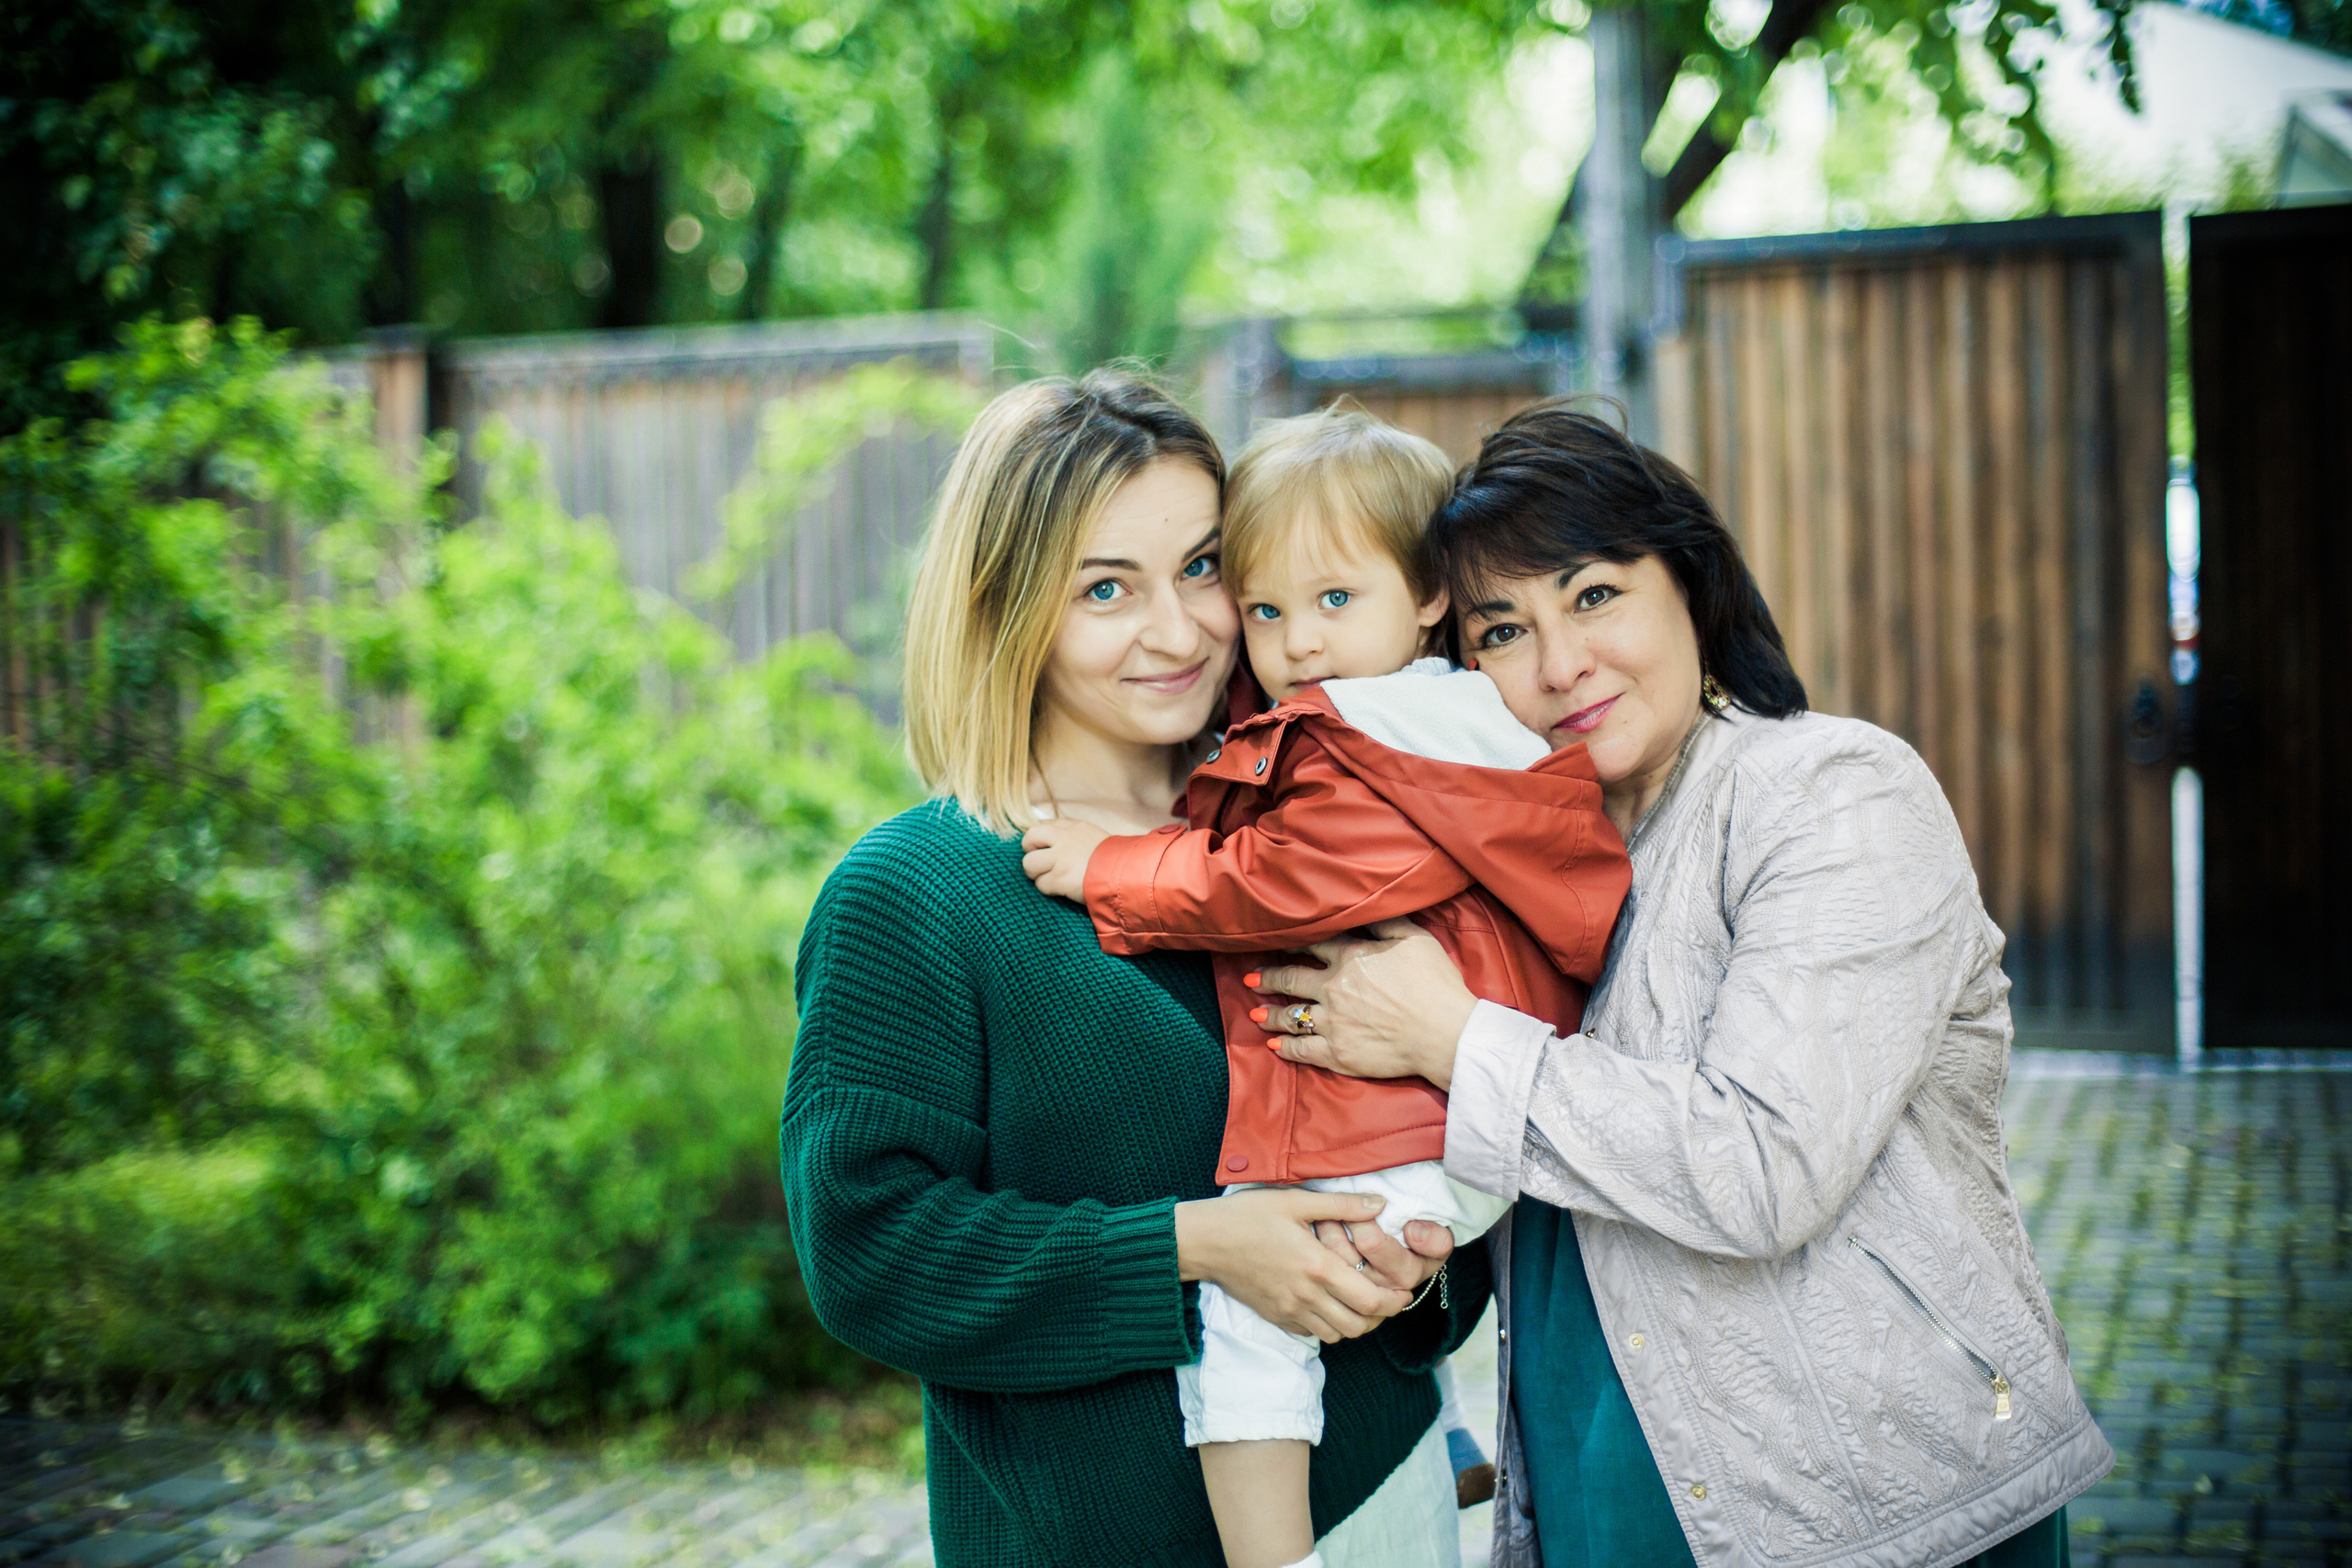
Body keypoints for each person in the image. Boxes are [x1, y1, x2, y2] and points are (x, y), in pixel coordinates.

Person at [1246, 402, 2114, 1568]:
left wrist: (1454, 1038)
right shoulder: (1510, 862)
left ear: (1689, 584)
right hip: (1599, 1483)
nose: (1560, 664)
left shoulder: (1829, 794)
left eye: (1595, 594)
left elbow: (1765, 1169)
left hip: (1870, 1510)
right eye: (1503, 630)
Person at [778, 372, 1488, 1568]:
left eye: (1205, 567)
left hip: (1385, 1495)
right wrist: (1197, 1246)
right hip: (1091, 1534)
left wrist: (1411, 1274)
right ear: (1007, 608)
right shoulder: (916, 895)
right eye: (1107, 588)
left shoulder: (1329, 821)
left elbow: (1446, 1129)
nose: (1183, 629)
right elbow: (870, 1252)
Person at [1020, 406, 1629, 1568]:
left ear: (1428, 596)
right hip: (1458, 1123)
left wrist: (1116, 867)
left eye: (1332, 601)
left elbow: (1297, 876)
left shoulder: (1388, 731)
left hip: (1438, 1117)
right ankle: (1444, 1430)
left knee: (1253, 1335)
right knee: (1336, 1268)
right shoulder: (1412, 711)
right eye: (1263, 606)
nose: (1294, 641)